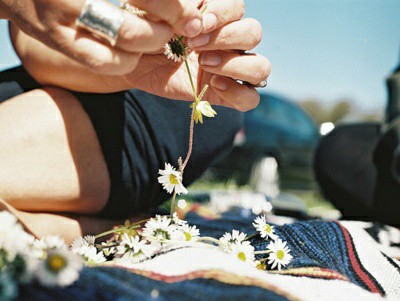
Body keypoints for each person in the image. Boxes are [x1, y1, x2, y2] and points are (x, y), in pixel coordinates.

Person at [0, 0, 271, 243]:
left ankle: (102, 230)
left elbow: (41, 33)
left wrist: (126, 52)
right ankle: (108, 231)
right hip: (63, 79)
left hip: (155, 98)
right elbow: (37, 29)